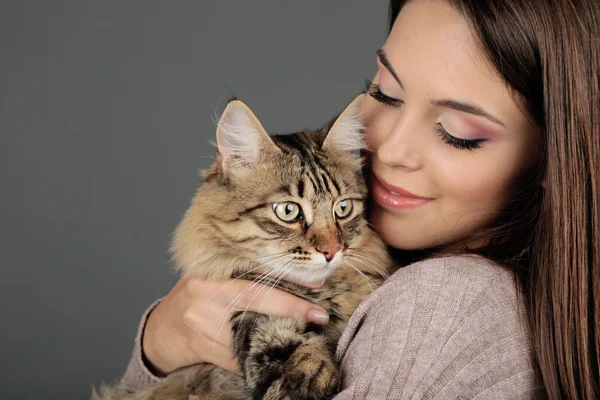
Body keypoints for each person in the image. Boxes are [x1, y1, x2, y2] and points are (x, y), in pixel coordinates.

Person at [115, 0, 599, 398]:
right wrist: (159, 345)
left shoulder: (444, 303)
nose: (386, 150)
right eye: (385, 93)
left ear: (551, 163)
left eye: (458, 133)